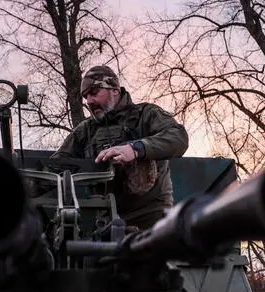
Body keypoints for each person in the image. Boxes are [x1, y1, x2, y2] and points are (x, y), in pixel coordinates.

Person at [51, 65, 189, 230]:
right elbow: (57, 165)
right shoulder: (85, 131)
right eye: (86, 96)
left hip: (152, 220)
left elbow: (178, 137)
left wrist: (136, 148)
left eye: (94, 92)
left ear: (114, 89)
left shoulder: (145, 114)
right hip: (107, 224)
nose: (89, 101)